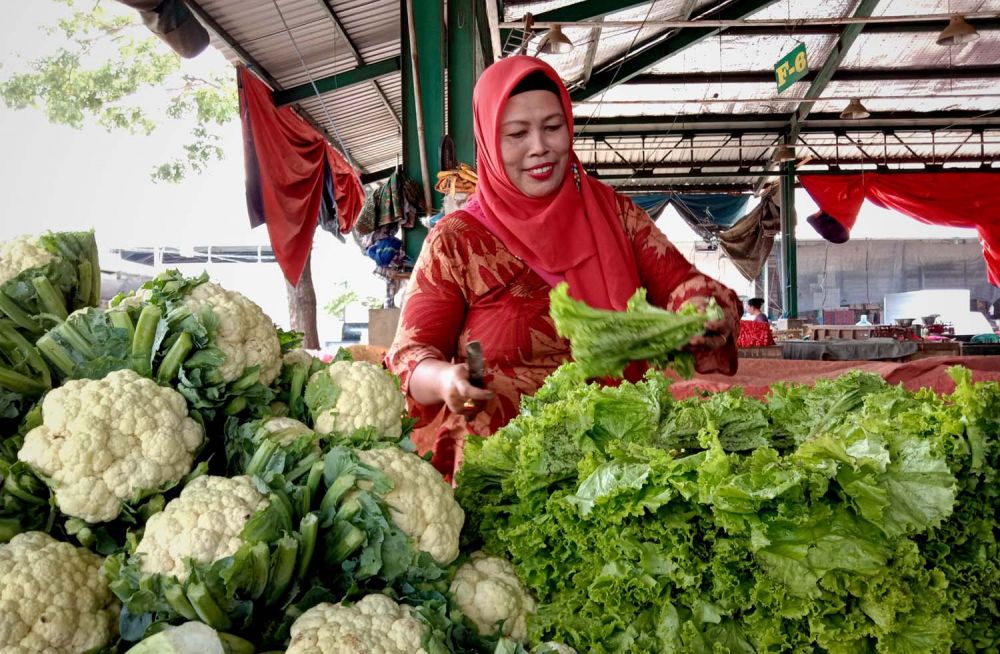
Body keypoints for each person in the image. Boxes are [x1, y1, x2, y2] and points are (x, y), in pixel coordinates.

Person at [386, 56, 742, 479]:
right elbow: (410, 355)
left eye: (553, 127)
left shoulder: (615, 216)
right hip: (502, 465)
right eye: (517, 133)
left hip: (618, 460)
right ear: (488, 143)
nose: (540, 146)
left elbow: (684, 284)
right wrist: (448, 381)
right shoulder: (458, 240)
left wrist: (701, 310)